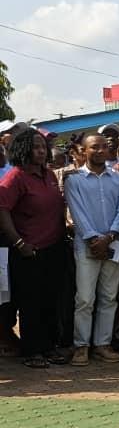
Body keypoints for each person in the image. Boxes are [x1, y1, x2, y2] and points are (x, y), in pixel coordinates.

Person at [0, 129, 68, 368]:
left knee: (50, 299)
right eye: (35, 147)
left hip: (54, 248)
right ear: (23, 150)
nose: (41, 151)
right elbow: (2, 211)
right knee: (31, 302)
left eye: (42, 147)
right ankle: (32, 351)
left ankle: (49, 347)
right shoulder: (15, 177)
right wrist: (19, 242)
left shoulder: (48, 174)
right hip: (28, 251)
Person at [63, 133, 119, 366]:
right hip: (86, 246)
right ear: (84, 150)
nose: (100, 151)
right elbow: (77, 212)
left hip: (113, 244)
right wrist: (94, 239)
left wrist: (109, 237)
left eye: (104, 146)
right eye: (94, 147)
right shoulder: (74, 180)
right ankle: (81, 346)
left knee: (109, 297)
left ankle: (102, 344)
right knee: (84, 298)